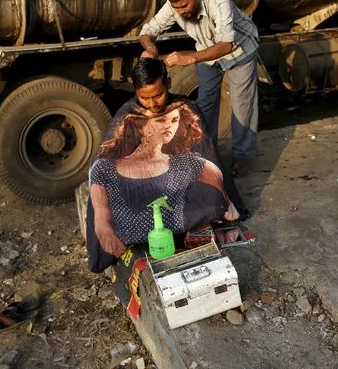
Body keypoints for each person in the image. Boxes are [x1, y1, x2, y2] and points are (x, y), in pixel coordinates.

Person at [86, 58, 249, 273]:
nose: (153, 104)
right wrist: (102, 223)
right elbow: (103, 164)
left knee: (213, 202)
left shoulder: (186, 109)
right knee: (110, 217)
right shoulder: (127, 114)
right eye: (144, 98)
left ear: (168, 84)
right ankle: (182, 227)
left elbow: (207, 155)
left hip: (176, 189)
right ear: (135, 90)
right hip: (136, 191)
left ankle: (179, 226)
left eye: (158, 95)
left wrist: (222, 195)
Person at [139, 0, 259, 176]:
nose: (181, 12)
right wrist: (150, 48)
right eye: (176, 8)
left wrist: (189, 58)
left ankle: (243, 156)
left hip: (240, 49)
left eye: (184, 6)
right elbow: (147, 31)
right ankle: (207, 152)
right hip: (207, 51)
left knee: (242, 105)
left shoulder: (218, 0)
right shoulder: (174, 6)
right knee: (205, 103)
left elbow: (226, 44)